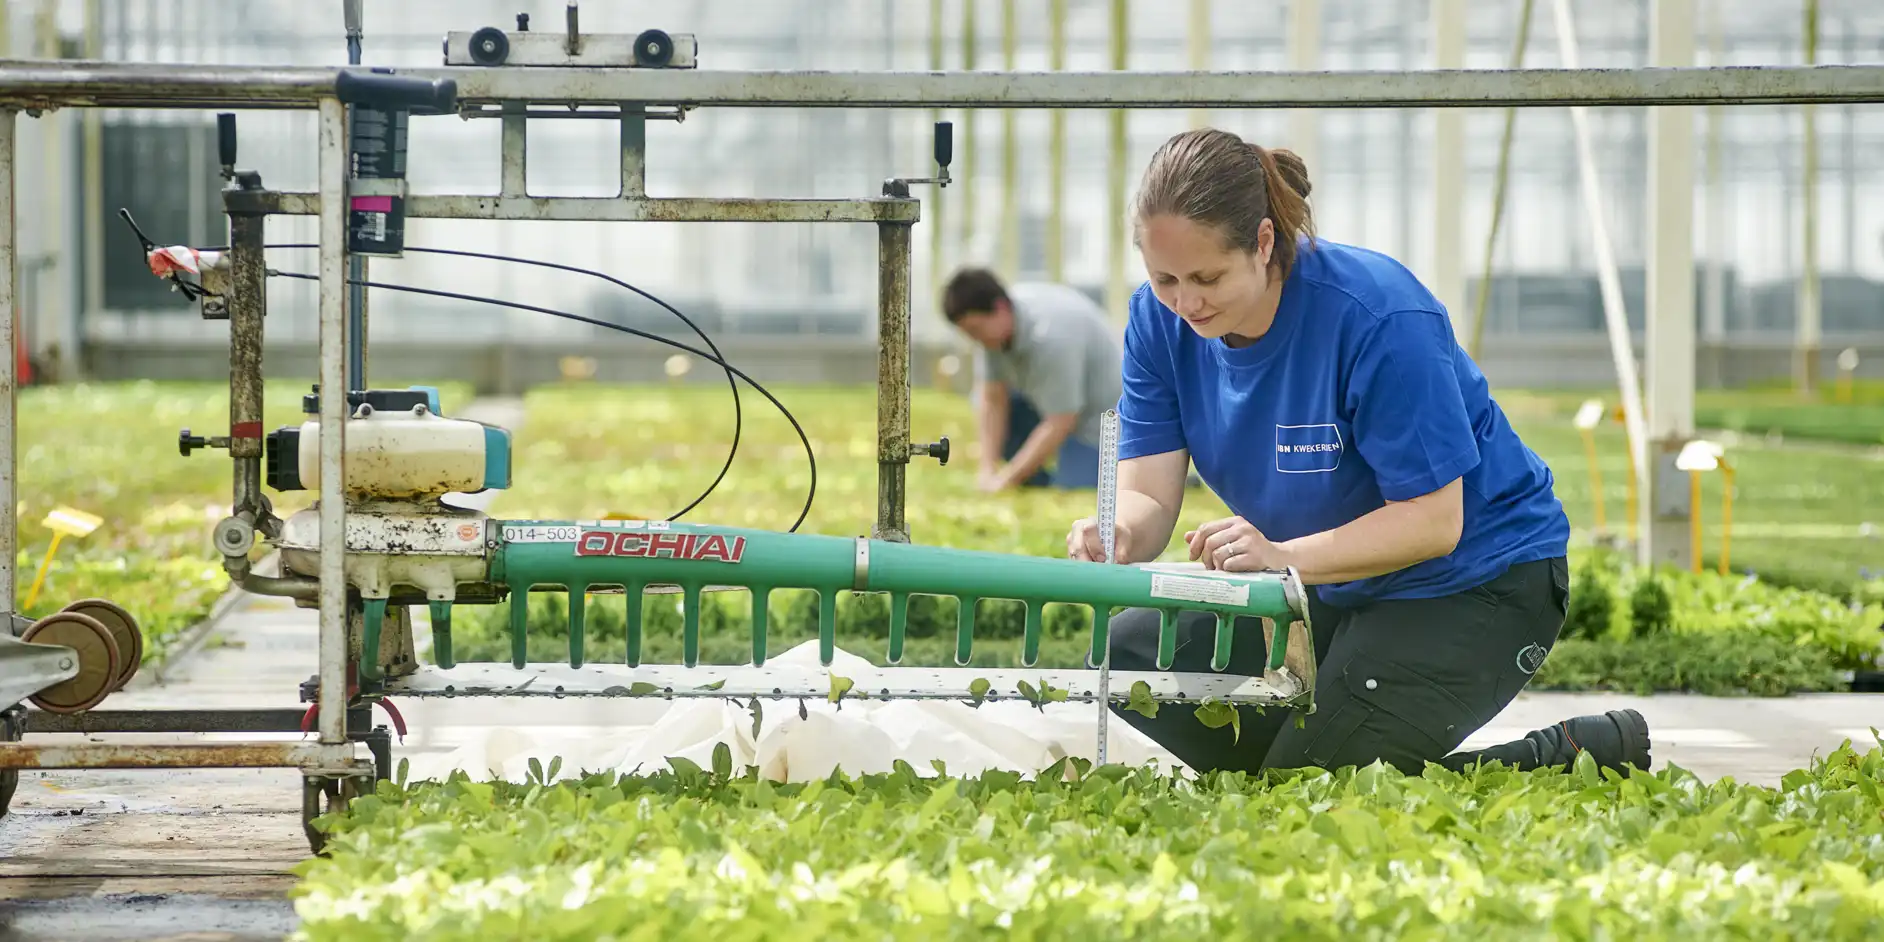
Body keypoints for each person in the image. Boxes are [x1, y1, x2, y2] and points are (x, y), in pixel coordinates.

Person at [1065, 127, 1652, 778]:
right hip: (1327, 583)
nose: (1186, 302)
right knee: (1129, 656)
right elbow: (1148, 497)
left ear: (1263, 242)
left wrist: (1282, 557)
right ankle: (1319, 756)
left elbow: (1434, 521)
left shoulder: (1378, 315)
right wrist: (1116, 531)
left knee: (1312, 784)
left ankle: (1568, 755)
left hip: (1475, 581)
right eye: (1164, 278)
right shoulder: (1158, 321)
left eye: (1207, 277)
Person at [941, 267, 1122, 492]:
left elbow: (1062, 419)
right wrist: (987, 470)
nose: (974, 339)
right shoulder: (993, 335)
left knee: (1073, 487)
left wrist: (1006, 481)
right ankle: (1037, 477)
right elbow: (992, 398)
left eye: (975, 329)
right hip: (1057, 405)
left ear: (1000, 308)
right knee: (981, 400)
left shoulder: (1051, 336)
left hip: (1102, 420)